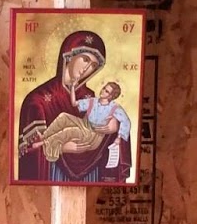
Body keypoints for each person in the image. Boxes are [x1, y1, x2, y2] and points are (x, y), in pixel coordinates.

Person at [17, 30, 127, 183]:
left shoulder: (90, 96)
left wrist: (116, 124)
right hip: (52, 173)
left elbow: (106, 124)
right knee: (63, 119)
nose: (87, 68)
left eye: (93, 65)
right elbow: (28, 153)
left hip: (89, 171)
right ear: (69, 56)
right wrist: (61, 148)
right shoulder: (38, 99)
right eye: (85, 59)